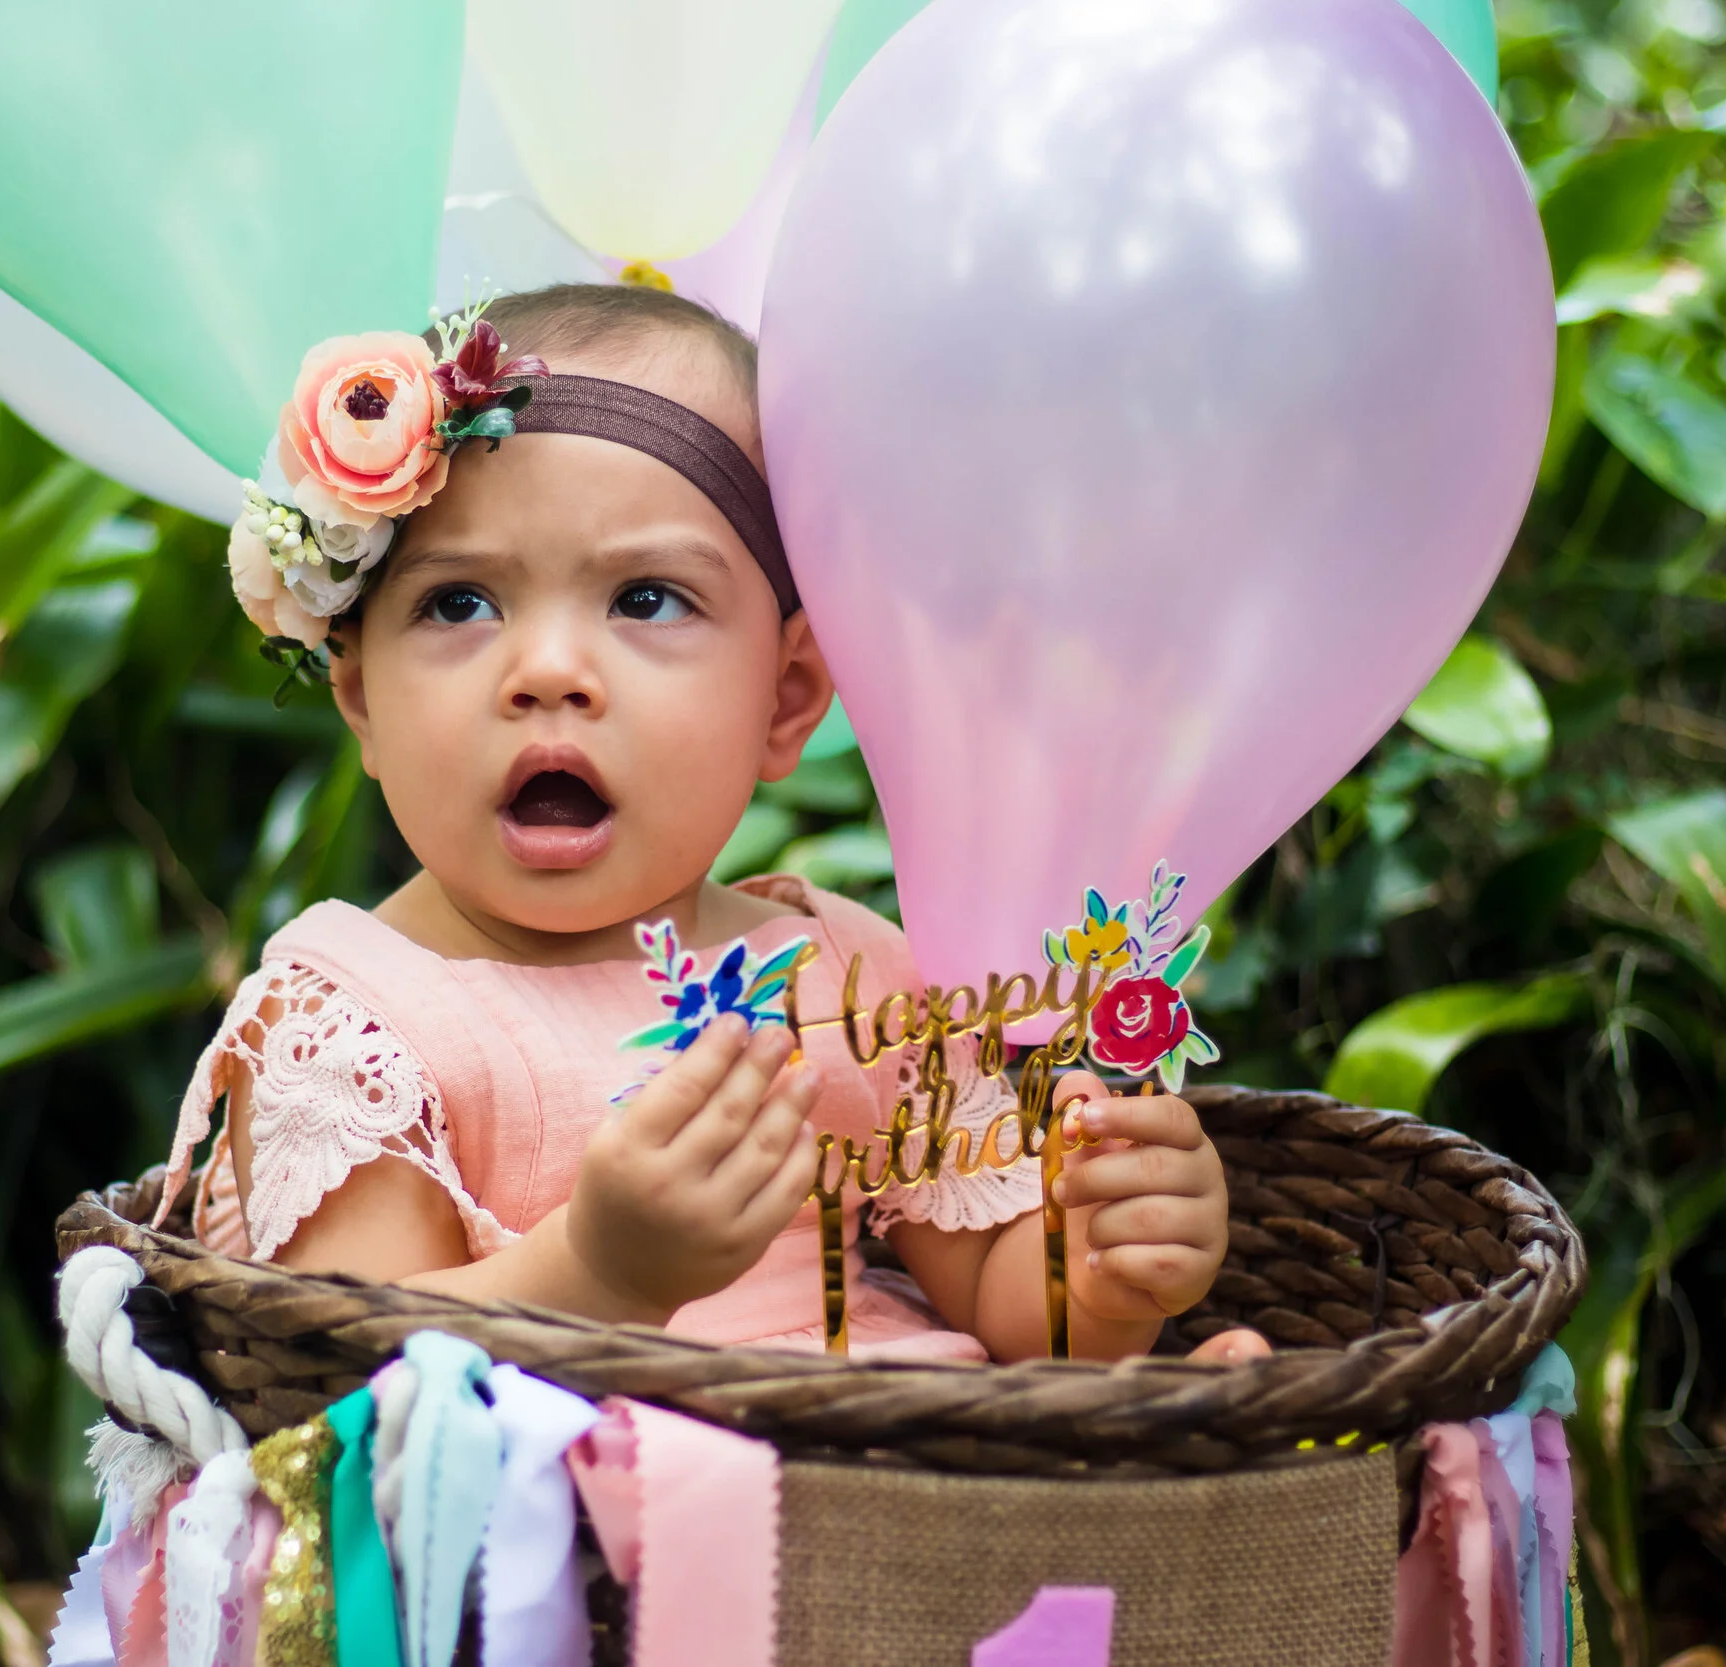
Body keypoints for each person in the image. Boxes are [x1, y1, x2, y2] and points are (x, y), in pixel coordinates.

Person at [160, 283, 1265, 1366]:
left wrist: (1101, 1264)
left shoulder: (839, 978)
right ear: (360, 697)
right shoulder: (352, 1023)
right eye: (460, 602)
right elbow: (345, 1369)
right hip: (588, 1519)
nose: (547, 671)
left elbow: (995, 1301)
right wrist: (600, 1271)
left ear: (782, 700)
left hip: (901, 1481)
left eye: (645, 598)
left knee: (1163, 1416)